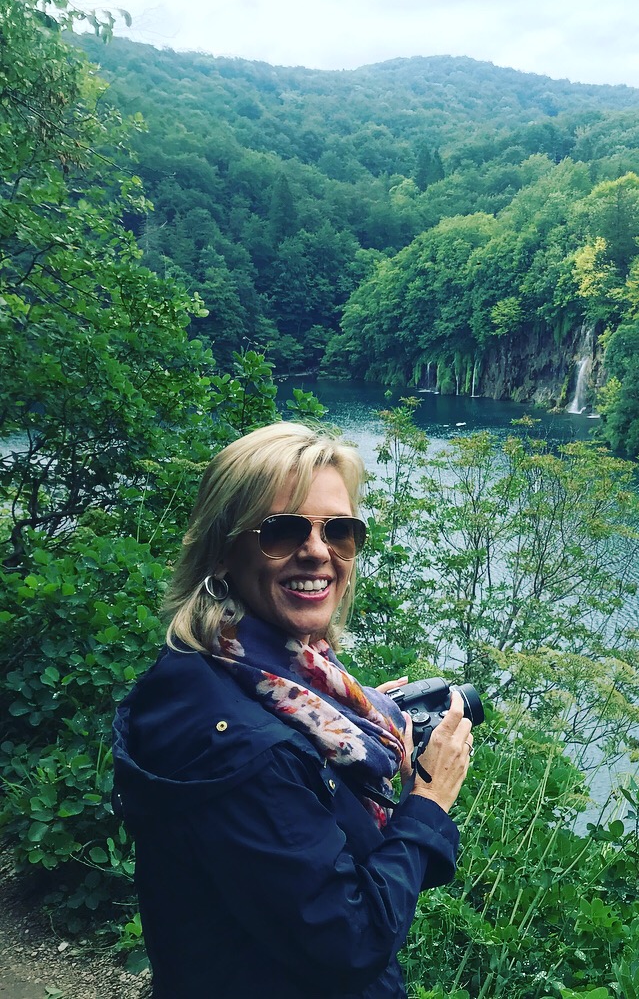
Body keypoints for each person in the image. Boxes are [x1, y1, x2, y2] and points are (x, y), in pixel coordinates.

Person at [112, 422, 472, 998]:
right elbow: (351, 939)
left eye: (340, 531)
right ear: (221, 552)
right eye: (282, 531)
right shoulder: (246, 747)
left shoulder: (209, 670)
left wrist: (342, 725)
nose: (318, 552)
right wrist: (429, 804)